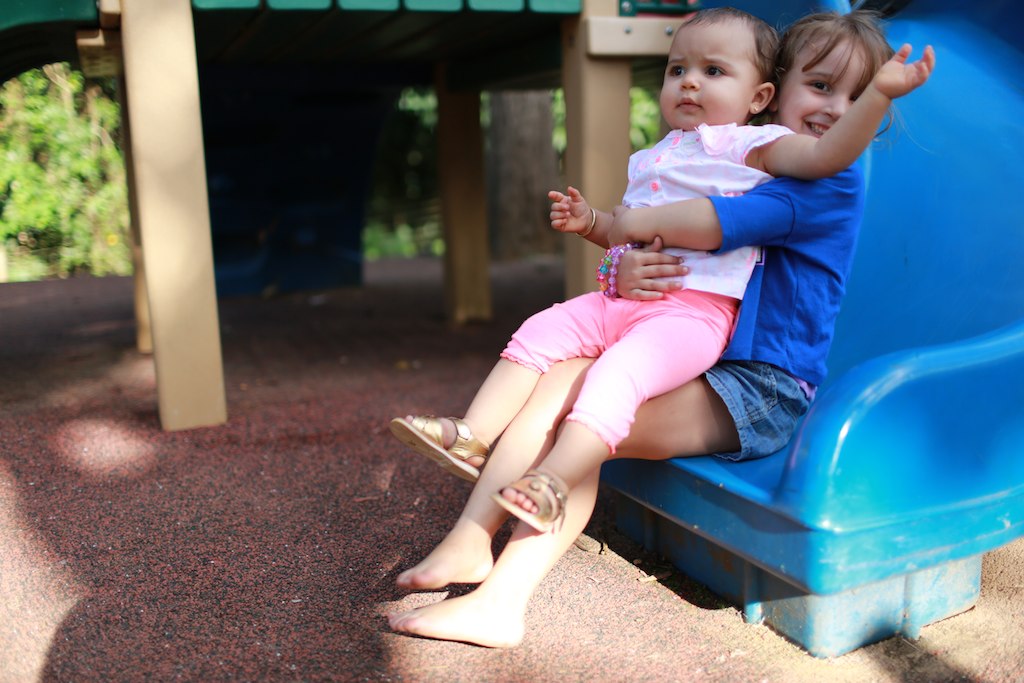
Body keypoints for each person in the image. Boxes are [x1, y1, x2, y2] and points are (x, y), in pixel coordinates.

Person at [387, 10, 934, 647]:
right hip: (703, 352)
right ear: (775, 89)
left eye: (857, 96)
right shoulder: (743, 160)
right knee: (558, 373)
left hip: (760, 388)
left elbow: (699, 225)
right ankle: (470, 541)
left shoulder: (820, 186)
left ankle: (501, 600)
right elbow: (679, 265)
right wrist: (622, 267)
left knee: (579, 414)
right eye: (819, 86)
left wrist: (616, 226)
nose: (835, 108)